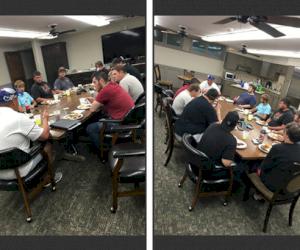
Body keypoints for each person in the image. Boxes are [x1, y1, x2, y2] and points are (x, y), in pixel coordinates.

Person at [0, 88, 62, 182]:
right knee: (47, 145)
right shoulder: (17, 117)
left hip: (1, 171)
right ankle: (49, 178)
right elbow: (44, 135)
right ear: (13, 100)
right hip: (18, 170)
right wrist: (45, 118)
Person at [86, 71, 134, 149]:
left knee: (90, 128)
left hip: (120, 122)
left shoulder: (105, 90)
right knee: (99, 115)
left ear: (101, 81)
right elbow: (108, 101)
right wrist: (97, 101)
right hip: (129, 117)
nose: (93, 85)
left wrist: (95, 102)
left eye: (94, 82)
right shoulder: (113, 84)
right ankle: (103, 140)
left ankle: (102, 151)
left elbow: (92, 109)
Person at [254, 122, 300, 198]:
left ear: (287, 136)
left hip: (273, 186)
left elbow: (265, 166)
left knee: (255, 165)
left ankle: (258, 193)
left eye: (284, 132)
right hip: (291, 188)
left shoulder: (278, 148)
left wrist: (259, 169)